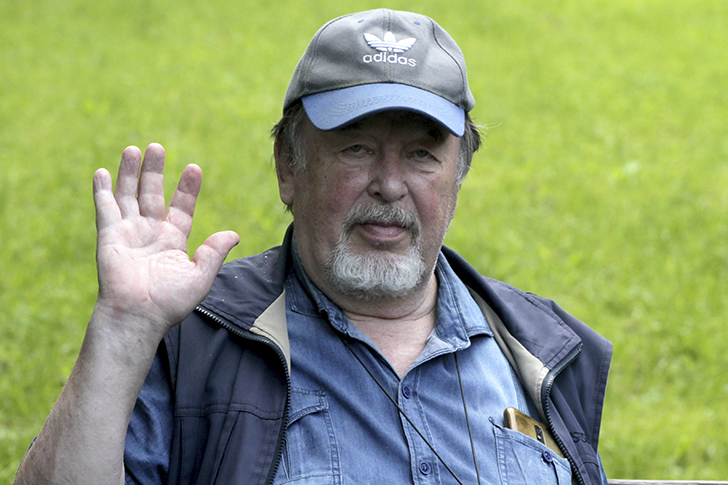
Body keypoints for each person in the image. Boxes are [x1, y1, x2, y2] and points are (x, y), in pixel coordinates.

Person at [15, 8, 611, 485]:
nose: (389, 184)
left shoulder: (545, 353)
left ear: (458, 176)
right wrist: (123, 330)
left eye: (421, 154)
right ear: (288, 167)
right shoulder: (191, 342)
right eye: (356, 148)